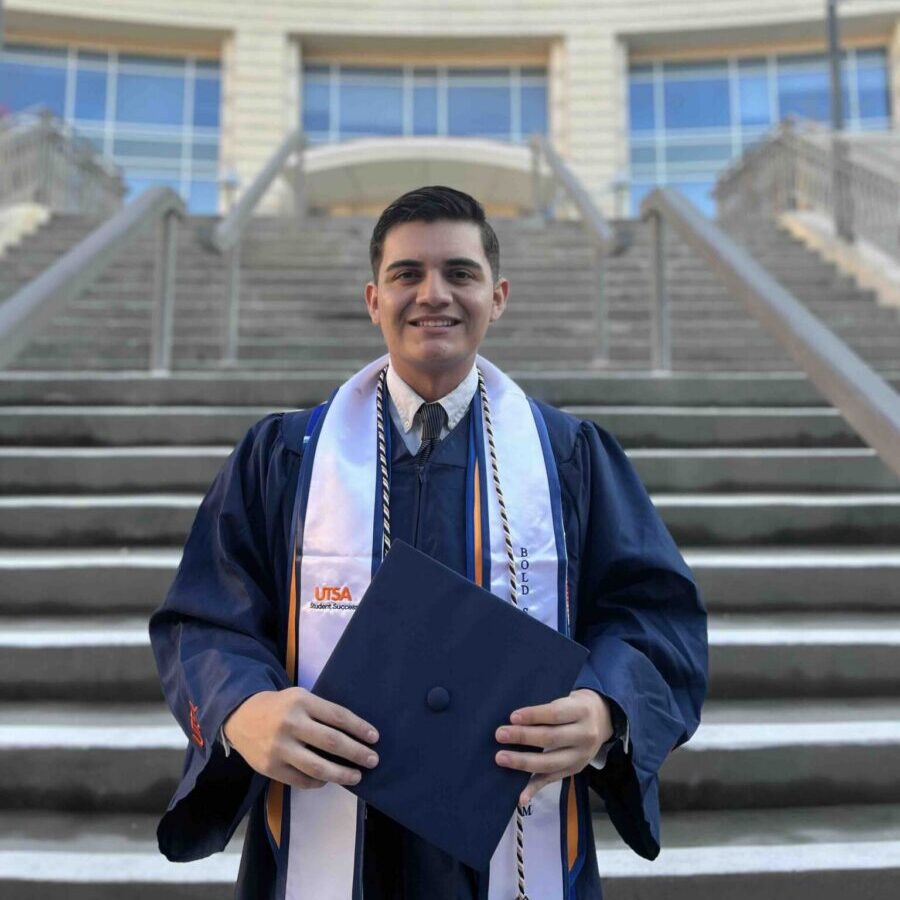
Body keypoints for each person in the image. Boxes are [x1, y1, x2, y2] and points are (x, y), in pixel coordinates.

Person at [150, 185, 708, 899]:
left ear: (498, 296)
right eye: (407, 274)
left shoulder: (569, 458)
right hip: (330, 834)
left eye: (460, 274)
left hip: (508, 831)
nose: (433, 295)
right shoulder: (285, 456)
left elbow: (657, 618)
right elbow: (203, 618)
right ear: (373, 298)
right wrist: (241, 708)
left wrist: (607, 709)